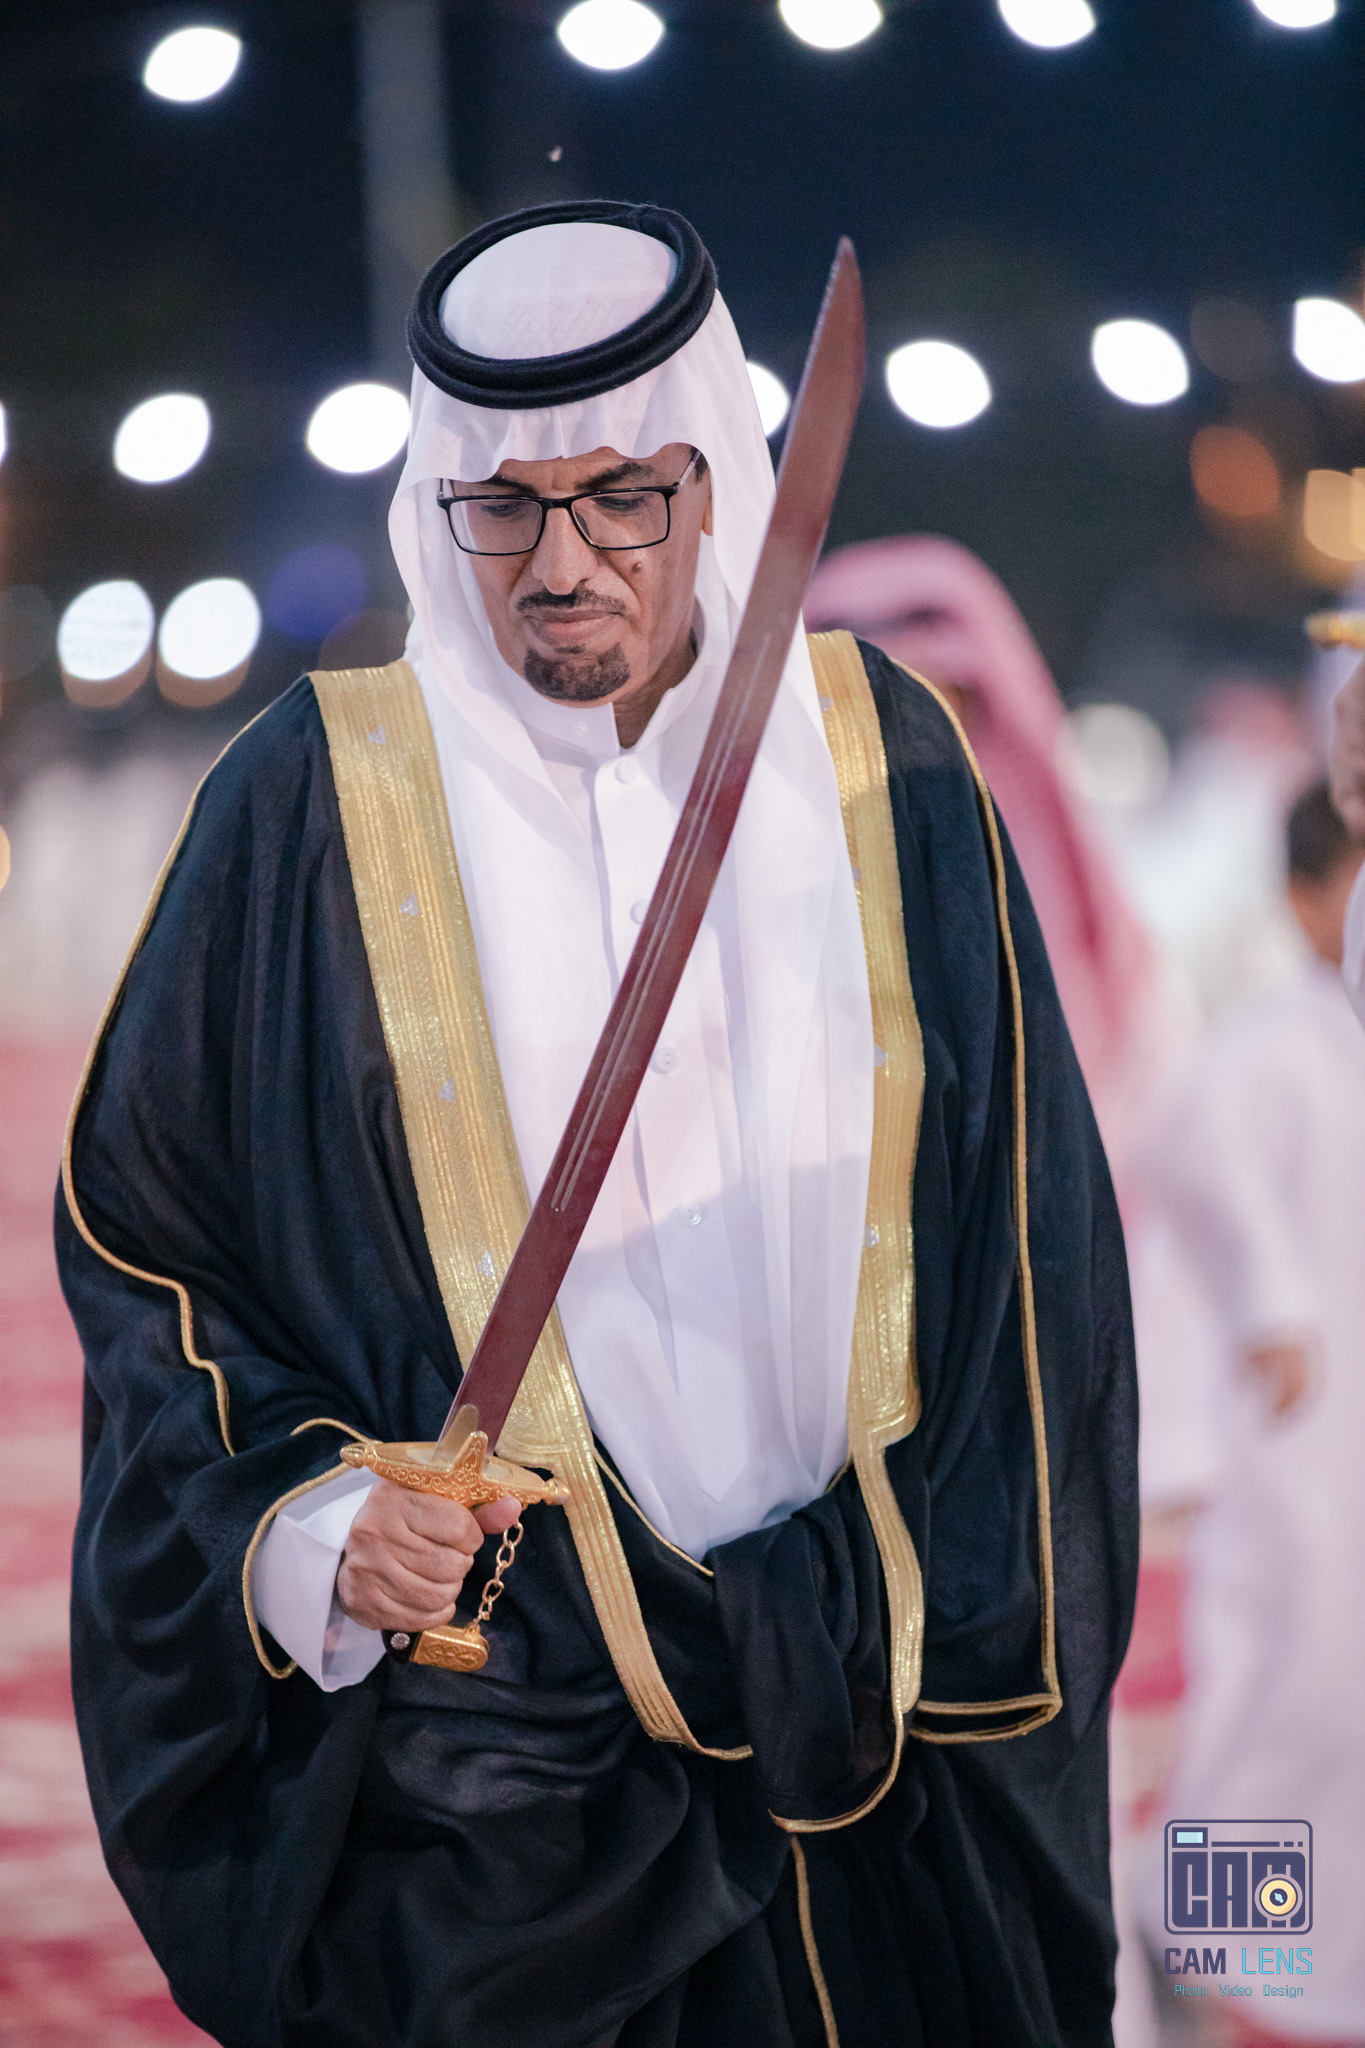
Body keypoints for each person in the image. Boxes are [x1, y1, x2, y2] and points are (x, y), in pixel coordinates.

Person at [60, 201, 1137, 2048]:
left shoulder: (887, 761)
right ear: (442, 507)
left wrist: (941, 1615)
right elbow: (146, 1247)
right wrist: (320, 1522)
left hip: (882, 1722)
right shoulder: (305, 808)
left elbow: (1030, 1235)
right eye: (506, 508)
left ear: (708, 481)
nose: (562, 564)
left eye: (622, 497)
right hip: (504, 1773)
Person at [1131, 781, 1365, 2043]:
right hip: (1292, 1464)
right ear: (1307, 899)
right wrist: (1272, 1301)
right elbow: (1195, 1176)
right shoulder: (1270, 1051)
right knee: (1274, 1699)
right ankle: (1227, 1971)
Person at [804, 535, 1174, 1191]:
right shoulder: (785, 872)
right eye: (864, 718)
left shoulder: (1050, 869)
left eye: (925, 713)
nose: (896, 745)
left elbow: (1123, 1082)